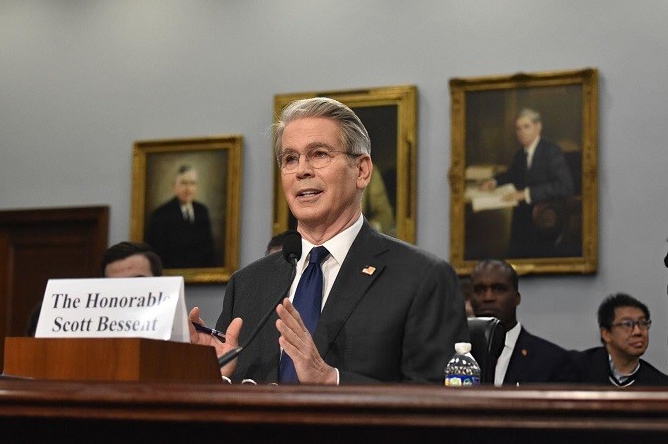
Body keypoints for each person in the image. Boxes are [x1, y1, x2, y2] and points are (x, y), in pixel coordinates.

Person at [189, 97, 468, 384]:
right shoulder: (248, 285)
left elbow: (438, 399)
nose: (302, 170)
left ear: (362, 171)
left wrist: (331, 379)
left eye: (319, 154)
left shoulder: (421, 278)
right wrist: (211, 374)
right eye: (290, 159)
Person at [481, 108, 574, 258]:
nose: (521, 132)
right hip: (521, 220)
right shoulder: (520, 154)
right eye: (518, 128)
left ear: (538, 127)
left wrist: (525, 194)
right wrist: (494, 181)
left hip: (545, 221)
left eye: (526, 127)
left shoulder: (551, 152)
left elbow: (565, 186)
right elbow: (512, 174)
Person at [469, 259, 576, 385]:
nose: (488, 298)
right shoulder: (453, 355)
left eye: (499, 289)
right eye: (480, 290)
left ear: (517, 298)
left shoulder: (552, 360)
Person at [26, 241, 163, 335]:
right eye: (116, 286)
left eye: (137, 282)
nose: (127, 293)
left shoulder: (174, 327)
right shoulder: (86, 330)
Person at [571, 293, 668, 387]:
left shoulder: (660, 385)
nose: (638, 332)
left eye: (643, 323)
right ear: (606, 334)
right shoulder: (578, 368)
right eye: (627, 324)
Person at [145, 165, 217, 269]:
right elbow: (156, 255)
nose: (188, 189)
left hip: (200, 274)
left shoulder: (202, 211)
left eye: (192, 183)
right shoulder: (161, 214)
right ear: (174, 186)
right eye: (184, 183)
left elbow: (209, 251)